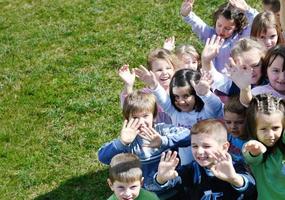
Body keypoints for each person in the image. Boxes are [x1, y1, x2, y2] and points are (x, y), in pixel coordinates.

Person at [98, 91, 191, 193]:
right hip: (143, 193)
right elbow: (103, 158)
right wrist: (122, 142)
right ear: (127, 119)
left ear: (154, 116)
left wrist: (163, 141)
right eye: (135, 117)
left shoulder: (162, 131)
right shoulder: (128, 140)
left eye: (145, 116)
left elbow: (190, 136)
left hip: (173, 187)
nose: (141, 122)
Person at [135, 67, 224, 165]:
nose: (181, 101)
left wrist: (205, 94)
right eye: (176, 97)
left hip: (212, 163)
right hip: (188, 166)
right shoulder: (174, 112)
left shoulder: (207, 111)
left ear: (196, 94)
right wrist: (154, 85)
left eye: (186, 96)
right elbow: (163, 99)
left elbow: (217, 106)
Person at [154, 119, 257, 199]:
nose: (199, 151)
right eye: (194, 146)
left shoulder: (234, 166)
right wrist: (161, 178)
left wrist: (233, 178)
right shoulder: (192, 169)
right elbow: (173, 179)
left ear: (224, 147)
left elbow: (251, 187)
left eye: (206, 146)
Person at [180, 0, 258, 72]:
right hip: (212, 80)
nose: (221, 31)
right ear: (216, 20)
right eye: (219, 25)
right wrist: (187, 14)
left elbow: (259, 22)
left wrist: (247, 10)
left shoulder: (240, 37)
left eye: (227, 28)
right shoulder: (210, 34)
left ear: (236, 27)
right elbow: (197, 24)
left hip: (233, 81)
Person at [242, 94, 285, 199]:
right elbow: (251, 158)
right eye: (263, 129)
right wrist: (255, 151)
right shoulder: (252, 147)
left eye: (275, 128)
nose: (270, 135)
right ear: (253, 128)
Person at [118, 48, 178, 124]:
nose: (164, 72)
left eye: (168, 68)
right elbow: (129, 108)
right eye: (159, 70)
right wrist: (128, 85)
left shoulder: (180, 90)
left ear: (174, 70)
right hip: (152, 132)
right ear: (150, 72)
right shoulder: (146, 94)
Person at [224, 95, 248, 163]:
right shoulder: (227, 135)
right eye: (228, 122)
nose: (233, 126)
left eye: (239, 122)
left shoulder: (252, 142)